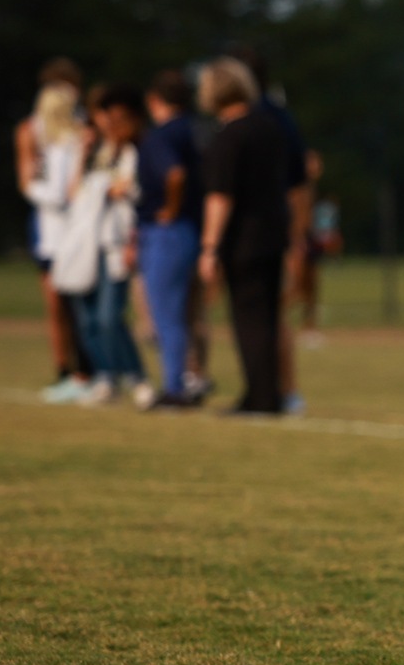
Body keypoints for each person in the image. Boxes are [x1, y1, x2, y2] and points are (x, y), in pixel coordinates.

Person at [198, 56, 295, 415]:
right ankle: (271, 393)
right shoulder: (270, 127)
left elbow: (220, 196)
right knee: (269, 319)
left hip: (244, 240)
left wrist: (209, 247)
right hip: (273, 233)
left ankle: (260, 398)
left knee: (248, 320)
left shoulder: (228, 136)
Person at [52, 84, 151, 407]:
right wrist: (84, 154)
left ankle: (136, 376)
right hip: (83, 245)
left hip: (113, 244)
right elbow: (72, 193)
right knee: (87, 320)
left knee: (110, 316)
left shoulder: (131, 152)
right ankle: (105, 376)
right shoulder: (95, 152)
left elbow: (126, 190)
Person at [19, 64, 91, 400]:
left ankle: (87, 371)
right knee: (56, 304)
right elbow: (30, 181)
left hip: (76, 228)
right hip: (48, 231)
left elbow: (68, 190)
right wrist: (37, 187)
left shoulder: (80, 134)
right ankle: (65, 369)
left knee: (80, 302)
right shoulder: (31, 131)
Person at [137, 70, 208, 407]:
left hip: (167, 231)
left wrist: (169, 209)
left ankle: (174, 386)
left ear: (155, 100)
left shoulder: (161, 135)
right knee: (186, 313)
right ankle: (190, 378)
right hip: (193, 229)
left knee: (166, 314)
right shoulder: (195, 130)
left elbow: (175, 174)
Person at [297, 151, 340, 343]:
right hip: (300, 242)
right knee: (295, 286)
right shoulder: (298, 187)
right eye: (313, 162)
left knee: (312, 288)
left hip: (311, 241)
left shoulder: (311, 188)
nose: (317, 166)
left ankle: (310, 328)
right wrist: (298, 240)